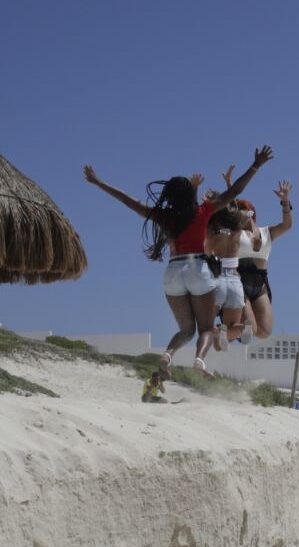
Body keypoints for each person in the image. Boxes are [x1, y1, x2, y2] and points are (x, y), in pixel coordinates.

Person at [84, 146, 272, 377]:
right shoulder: (203, 211)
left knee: (185, 329)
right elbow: (235, 191)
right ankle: (199, 361)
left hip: (172, 273)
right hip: (197, 269)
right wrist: (255, 165)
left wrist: (98, 182)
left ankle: (168, 355)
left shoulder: (164, 216)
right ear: (190, 195)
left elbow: (128, 201)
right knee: (204, 328)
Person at [236, 180, 294, 340]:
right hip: (238, 281)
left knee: (264, 332)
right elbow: (216, 232)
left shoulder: (267, 232)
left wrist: (285, 201)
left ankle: (230, 328)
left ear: (251, 213)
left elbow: (287, 225)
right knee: (250, 327)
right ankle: (227, 329)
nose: (238, 214)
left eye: (242, 210)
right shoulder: (234, 233)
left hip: (260, 283)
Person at [203, 202, 253, 351]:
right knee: (234, 325)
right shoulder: (237, 230)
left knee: (205, 326)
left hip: (217, 279)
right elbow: (246, 213)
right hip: (235, 281)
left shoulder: (212, 232)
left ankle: (219, 331)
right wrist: (231, 207)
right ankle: (242, 328)